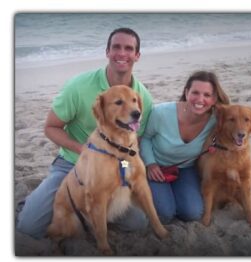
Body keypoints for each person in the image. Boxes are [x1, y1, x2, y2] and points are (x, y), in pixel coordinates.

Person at [16, 28, 153, 239]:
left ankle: (90, 216)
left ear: (137, 55)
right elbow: (50, 127)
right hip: (72, 165)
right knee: (29, 227)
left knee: (137, 223)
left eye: (129, 48)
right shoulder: (79, 86)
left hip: (115, 170)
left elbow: (136, 141)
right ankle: (34, 201)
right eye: (116, 47)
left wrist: (128, 170)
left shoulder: (142, 96)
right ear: (107, 51)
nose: (122, 53)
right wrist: (85, 150)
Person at [140, 71, 230, 224]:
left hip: (185, 168)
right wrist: (150, 164)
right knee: (165, 214)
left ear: (214, 99)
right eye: (195, 92)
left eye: (207, 95)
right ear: (186, 92)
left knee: (192, 213)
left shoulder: (216, 121)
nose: (200, 99)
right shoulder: (161, 112)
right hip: (156, 166)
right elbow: (145, 138)